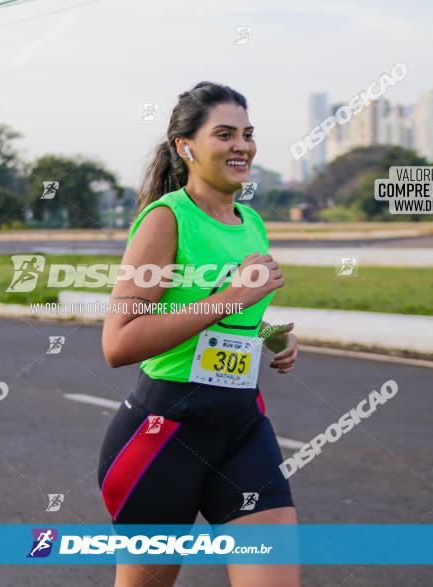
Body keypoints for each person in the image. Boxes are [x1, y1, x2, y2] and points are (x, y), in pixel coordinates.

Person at [97, 82, 300, 587]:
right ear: (186, 147)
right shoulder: (166, 220)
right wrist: (229, 299)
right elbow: (118, 343)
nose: (242, 146)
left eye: (248, 134)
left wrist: (270, 332)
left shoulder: (250, 221)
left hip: (243, 426)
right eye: (225, 134)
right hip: (164, 435)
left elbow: (232, 311)